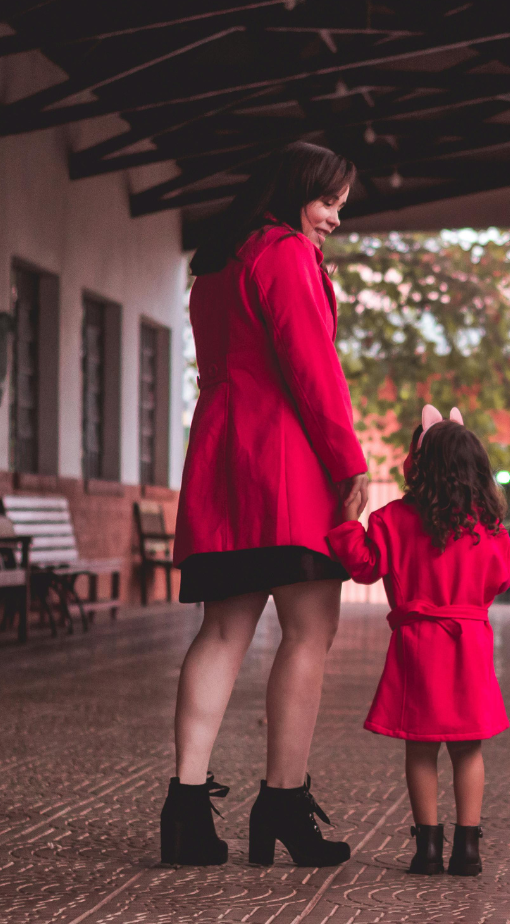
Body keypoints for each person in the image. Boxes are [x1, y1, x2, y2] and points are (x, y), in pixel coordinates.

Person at [160, 142, 369, 869]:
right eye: (328, 201)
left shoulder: (216, 262)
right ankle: (283, 803)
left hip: (222, 459)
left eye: (341, 206)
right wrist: (349, 463)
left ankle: (185, 812)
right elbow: (311, 366)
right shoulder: (282, 253)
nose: (335, 218)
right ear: (294, 192)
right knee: (310, 629)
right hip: (283, 461)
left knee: (222, 631)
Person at [324, 406, 510, 877]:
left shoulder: (393, 519)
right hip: (469, 642)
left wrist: (350, 522)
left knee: (421, 746)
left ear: (418, 464)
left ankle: (427, 848)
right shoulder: (488, 527)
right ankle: (468, 849)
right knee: (468, 747)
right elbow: (503, 578)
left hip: (418, 644)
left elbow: (364, 567)